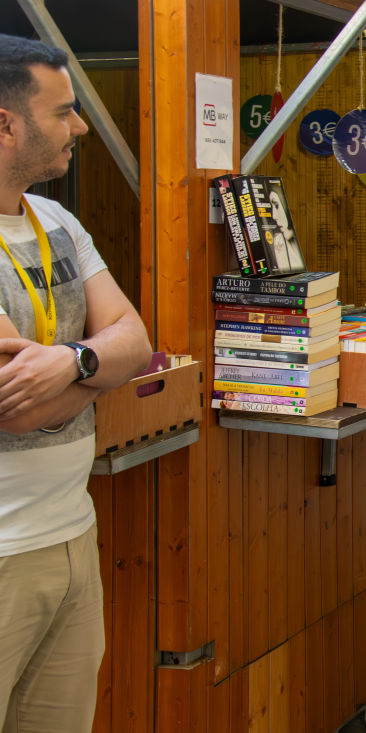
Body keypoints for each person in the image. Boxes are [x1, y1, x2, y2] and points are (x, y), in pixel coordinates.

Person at [0, 34, 152, 731]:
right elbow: (16, 408)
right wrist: (102, 362)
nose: (82, 126)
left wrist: (73, 362)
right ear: (5, 123)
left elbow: (136, 340)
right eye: (63, 111)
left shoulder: (57, 220)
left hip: (70, 533)